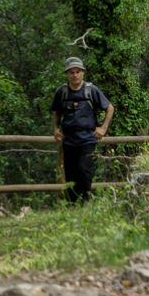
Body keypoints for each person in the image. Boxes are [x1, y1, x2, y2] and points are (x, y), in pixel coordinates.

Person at [50, 56, 114, 203]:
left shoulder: (91, 90)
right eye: (71, 72)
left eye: (78, 71)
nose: (75, 75)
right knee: (70, 174)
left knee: (84, 171)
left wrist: (103, 128)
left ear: (83, 73)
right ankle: (73, 205)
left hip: (87, 139)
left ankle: (85, 202)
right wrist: (56, 129)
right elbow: (56, 111)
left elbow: (109, 108)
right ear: (67, 74)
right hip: (69, 140)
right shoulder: (62, 92)